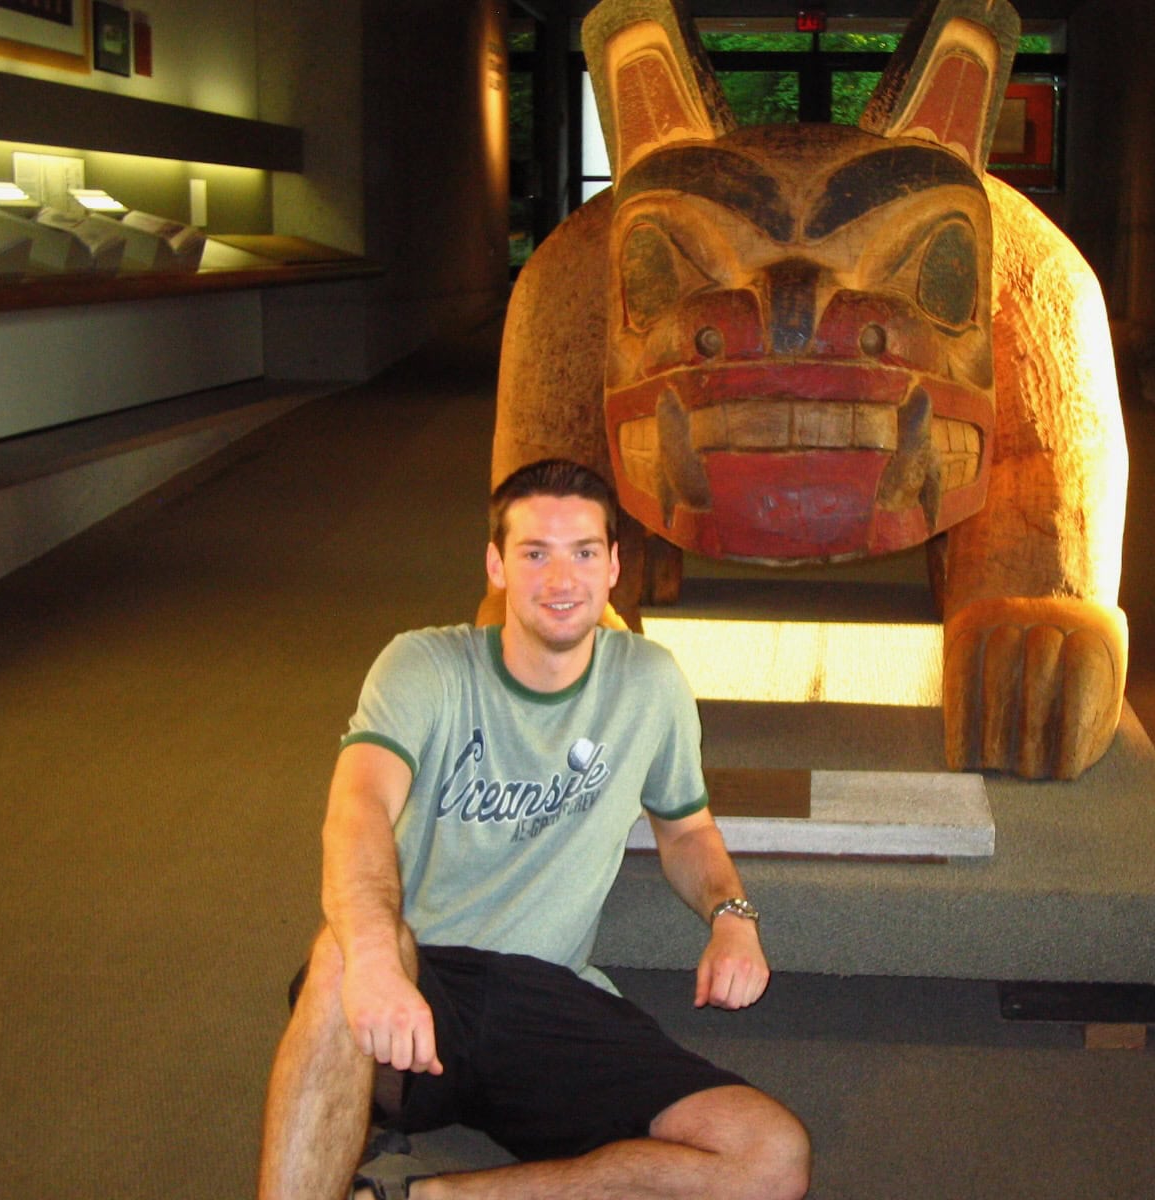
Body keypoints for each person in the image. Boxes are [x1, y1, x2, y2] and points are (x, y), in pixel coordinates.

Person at [257, 459, 811, 1200]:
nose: (561, 579)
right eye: (535, 553)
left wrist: (732, 916)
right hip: (424, 984)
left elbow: (686, 831)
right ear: (496, 565)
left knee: (770, 1156)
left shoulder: (649, 682)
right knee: (341, 953)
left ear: (614, 566)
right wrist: (376, 962)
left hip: (551, 996)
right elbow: (356, 807)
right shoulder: (425, 666)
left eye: (583, 552)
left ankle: (427, 1197)